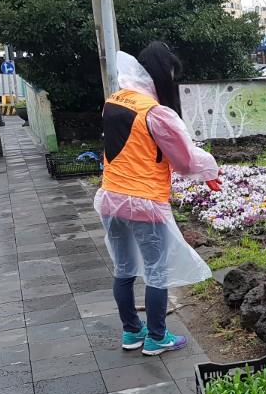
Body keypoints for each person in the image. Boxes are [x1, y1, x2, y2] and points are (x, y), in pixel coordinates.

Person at [94, 41, 221, 356]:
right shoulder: (155, 113)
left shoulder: (115, 100)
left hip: (110, 198)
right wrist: (210, 168)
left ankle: (131, 332)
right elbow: (185, 161)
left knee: (123, 269)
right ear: (163, 73)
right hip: (144, 202)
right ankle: (156, 337)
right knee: (156, 270)